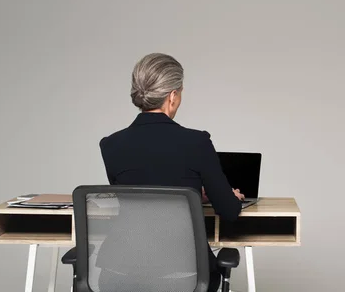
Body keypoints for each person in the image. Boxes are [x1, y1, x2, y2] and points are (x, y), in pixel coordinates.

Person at [98, 52, 245, 291]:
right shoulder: (197, 142)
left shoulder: (110, 145)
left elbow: (133, 195)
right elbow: (228, 211)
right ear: (173, 96)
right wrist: (229, 196)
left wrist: (194, 194)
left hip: (118, 276)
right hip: (183, 278)